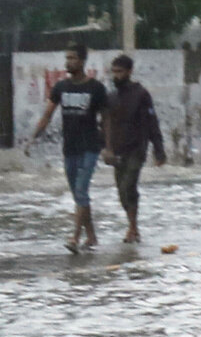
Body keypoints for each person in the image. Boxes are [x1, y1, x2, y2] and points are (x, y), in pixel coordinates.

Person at [31, 44, 112, 252]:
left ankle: (75, 238)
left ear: (83, 61)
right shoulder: (60, 87)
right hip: (70, 147)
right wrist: (33, 137)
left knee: (81, 190)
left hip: (90, 146)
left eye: (73, 58)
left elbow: (107, 120)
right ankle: (92, 236)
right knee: (78, 195)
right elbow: (47, 115)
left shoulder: (96, 88)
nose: (68, 62)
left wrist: (108, 147)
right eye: (67, 58)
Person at [103, 52, 165, 244]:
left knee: (129, 185)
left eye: (119, 72)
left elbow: (152, 121)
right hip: (117, 150)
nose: (116, 76)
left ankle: (132, 228)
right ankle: (133, 226)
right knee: (121, 192)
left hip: (136, 149)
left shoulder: (141, 94)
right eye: (113, 72)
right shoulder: (111, 97)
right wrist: (105, 148)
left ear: (129, 72)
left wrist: (158, 149)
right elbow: (105, 125)